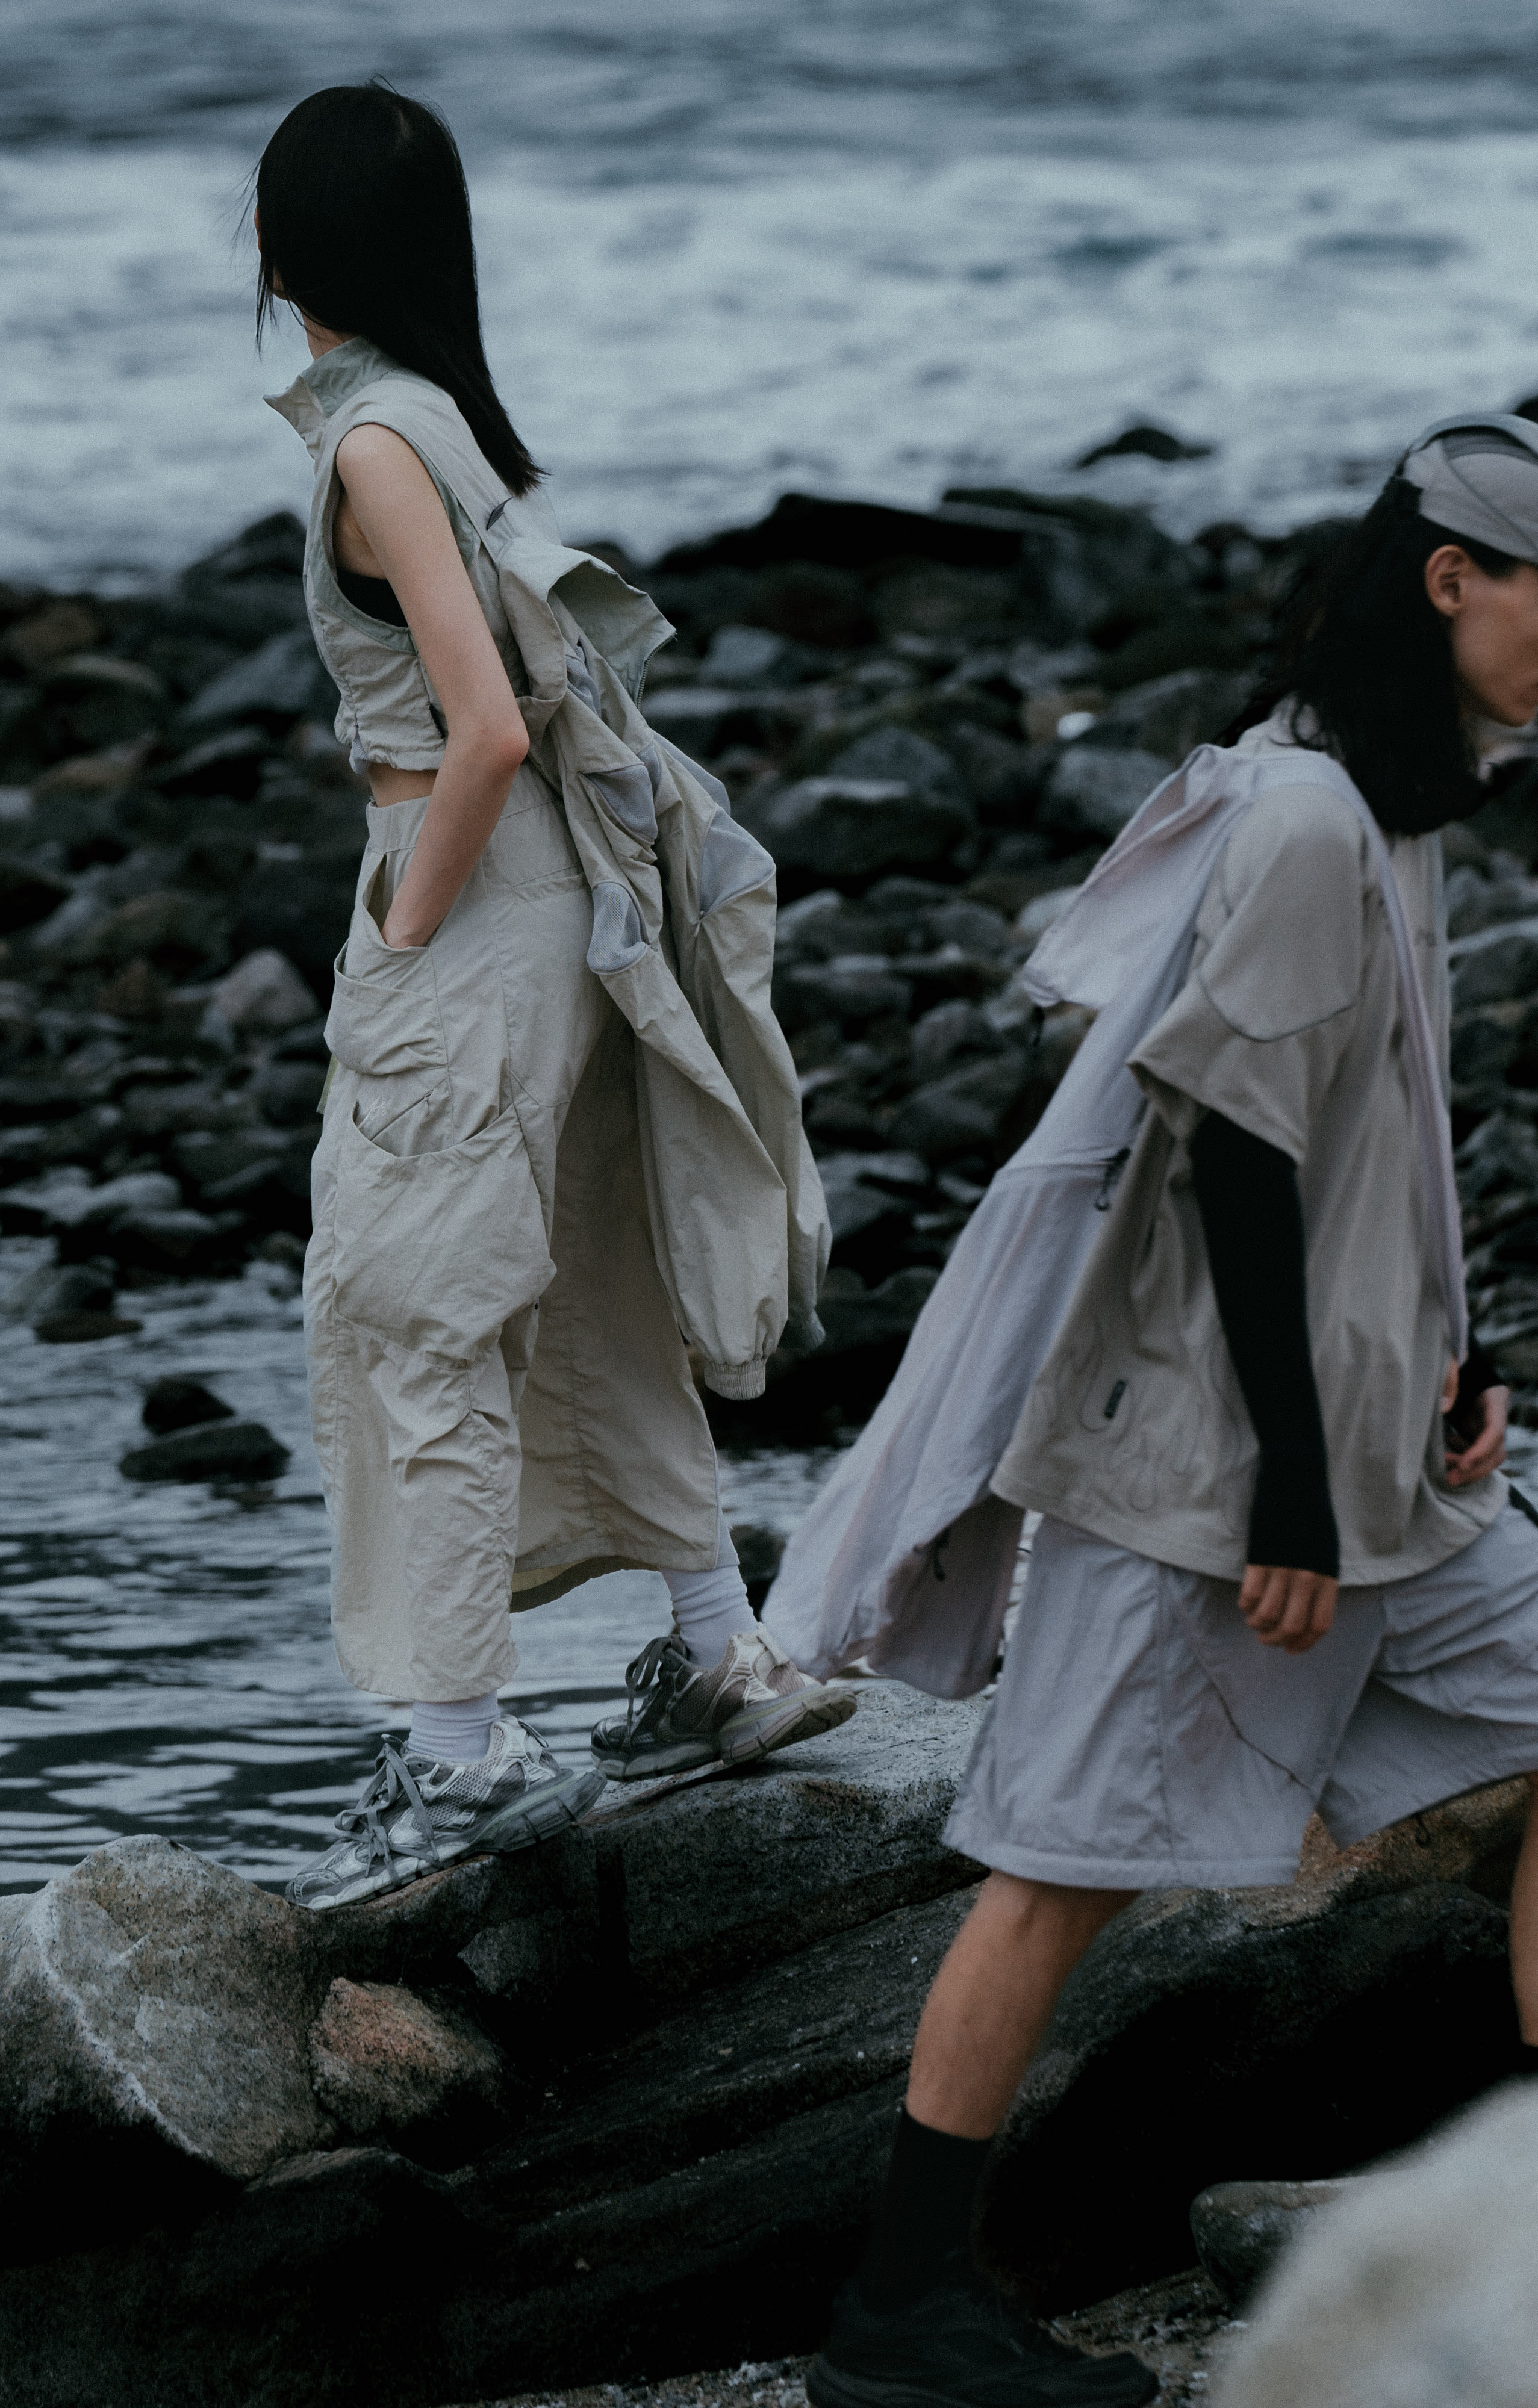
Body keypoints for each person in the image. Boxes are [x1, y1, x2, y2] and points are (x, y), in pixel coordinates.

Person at [792, 415, 1538, 2408]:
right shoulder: (1304, 822)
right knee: (1060, 1871)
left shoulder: (1399, 811)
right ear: (1452, 581)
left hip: (1383, 1465)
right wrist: (1291, 1491)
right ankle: (898, 2310)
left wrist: (1447, 1366)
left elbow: (1371, 1153)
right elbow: (1234, 1162)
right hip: (1204, 1475)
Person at [250, 82, 851, 1913]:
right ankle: (719, 1654)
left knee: (415, 1312)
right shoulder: (445, 417)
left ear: (285, 249)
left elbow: (486, 730)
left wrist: (403, 943)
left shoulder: (373, 445)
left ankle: (457, 1756)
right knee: (592, 1276)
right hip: (571, 915)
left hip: (471, 903)